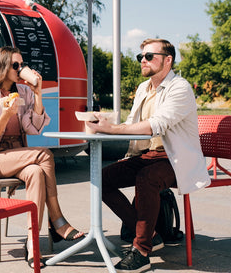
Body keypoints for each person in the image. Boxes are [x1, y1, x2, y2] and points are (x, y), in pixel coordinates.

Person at [86, 38, 210, 272]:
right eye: (140, 56)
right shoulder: (144, 88)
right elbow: (133, 123)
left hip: (174, 159)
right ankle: (150, 234)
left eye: (149, 56)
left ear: (167, 60)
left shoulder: (179, 87)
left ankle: (141, 251)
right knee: (101, 179)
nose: (143, 60)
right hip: (146, 155)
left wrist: (112, 129)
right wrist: (106, 123)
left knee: (147, 178)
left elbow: (156, 125)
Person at [0, 46, 84, 269]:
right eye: (15, 65)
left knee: (36, 171)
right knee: (44, 154)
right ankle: (57, 219)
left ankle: (33, 245)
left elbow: (35, 129)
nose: (20, 69)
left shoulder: (23, 92)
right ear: (2, 66)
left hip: (18, 154)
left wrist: (39, 92)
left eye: (21, 65)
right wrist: (5, 114)